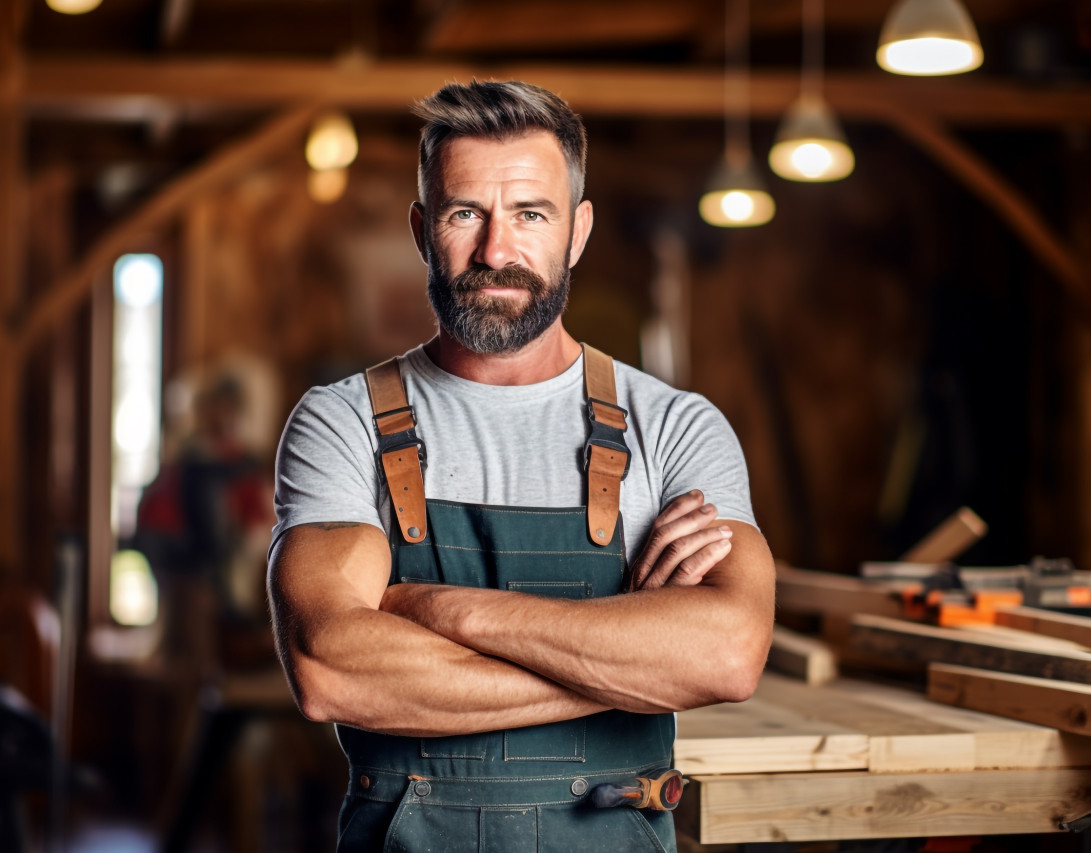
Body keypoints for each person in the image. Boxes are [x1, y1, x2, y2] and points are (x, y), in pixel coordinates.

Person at [267, 80, 776, 853]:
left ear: (577, 231)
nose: (495, 251)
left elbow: (730, 653)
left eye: (530, 214)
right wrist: (625, 663)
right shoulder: (342, 423)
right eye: (464, 213)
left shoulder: (674, 428)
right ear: (420, 229)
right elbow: (331, 669)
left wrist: (440, 610)